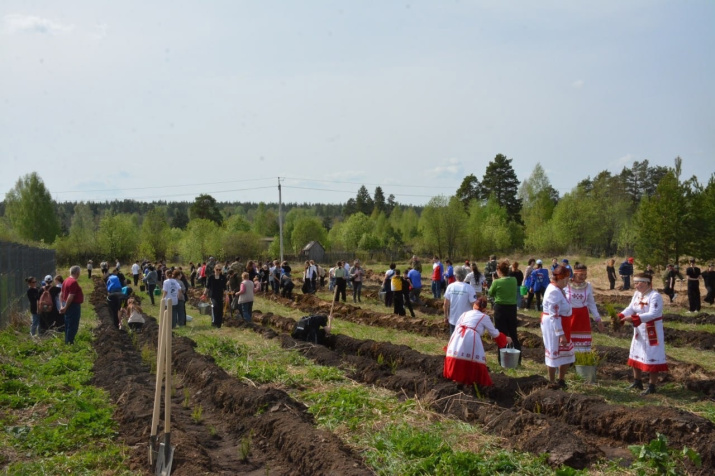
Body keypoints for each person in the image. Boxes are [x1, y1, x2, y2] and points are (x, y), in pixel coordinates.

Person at [444, 297, 512, 387]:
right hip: (470, 337)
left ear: (474, 306)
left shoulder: (465, 314)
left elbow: (457, 325)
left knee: (457, 354)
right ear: (484, 308)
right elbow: (494, 333)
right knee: (471, 357)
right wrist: (506, 339)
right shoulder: (484, 317)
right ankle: (471, 380)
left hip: (457, 336)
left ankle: (455, 377)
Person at [618, 273, 668, 395]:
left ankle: (652, 386)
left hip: (652, 331)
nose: (636, 285)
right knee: (636, 353)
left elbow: (654, 314)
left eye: (638, 283)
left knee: (652, 356)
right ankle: (637, 381)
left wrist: (635, 318)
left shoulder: (655, 296)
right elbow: (630, 308)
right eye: (635, 283)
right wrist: (620, 316)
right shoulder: (637, 294)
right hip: (639, 329)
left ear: (646, 283)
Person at [540, 265, 574, 389]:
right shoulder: (554, 291)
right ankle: (552, 381)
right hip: (553, 324)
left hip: (562, 321)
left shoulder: (559, 289)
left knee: (566, 352)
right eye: (567, 279)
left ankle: (561, 380)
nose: (568, 281)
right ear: (562, 279)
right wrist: (561, 334)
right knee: (553, 351)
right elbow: (554, 315)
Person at [566, 264, 604, 353]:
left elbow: (591, 303)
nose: (583, 277)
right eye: (581, 275)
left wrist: (598, 319)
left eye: (585, 275)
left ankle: (581, 358)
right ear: (575, 274)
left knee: (582, 342)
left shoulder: (588, 286)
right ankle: (568, 360)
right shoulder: (566, 285)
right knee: (569, 338)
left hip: (582, 316)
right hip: (569, 315)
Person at [489, 261, 521, 366]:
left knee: (501, 334)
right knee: (513, 333)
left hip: (500, 309)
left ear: (499, 271)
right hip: (512, 309)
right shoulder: (514, 280)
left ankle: (502, 359)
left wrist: (494, 281)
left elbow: (490, 293)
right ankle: (517, 359)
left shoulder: (497, 282)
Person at [444, 266, 477, 335]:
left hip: (453, 319)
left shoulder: (450, 286)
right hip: (466, 321)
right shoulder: (470, 288)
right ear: (465, 275)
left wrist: (446, 316)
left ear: (455, 275)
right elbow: (474, 305)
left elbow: (446, 304)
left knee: (453, 342)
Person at [59, 266, 84, 345]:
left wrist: (61, 306)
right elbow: (71, 296)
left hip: (68, 305)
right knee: (72, 325)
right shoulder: (73, 282)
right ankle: (69, 343)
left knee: (68, 324)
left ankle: (67, 342)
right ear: (77, 273)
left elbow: (61, 294)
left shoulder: (66, 280)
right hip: (73, 306)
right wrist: (65, 307)